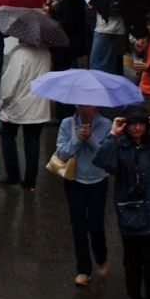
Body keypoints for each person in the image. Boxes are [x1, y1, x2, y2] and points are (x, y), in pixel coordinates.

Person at [93, 103, 150, 299]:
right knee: (132, 264)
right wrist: (112, 135)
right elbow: (102, 162)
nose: (137, 128)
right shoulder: (119, 145)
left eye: (141, 124)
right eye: (133, 124)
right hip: (130, 216)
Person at [54, 104, 111, 288]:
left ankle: (101, 258)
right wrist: (77, 139)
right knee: (78, 226)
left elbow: (107, 154)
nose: (84, 108)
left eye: (88, 104)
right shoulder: (66, 124)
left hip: (98, 181)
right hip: (74, 181)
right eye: (80, 104)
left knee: (96, 225)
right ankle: (83, 270)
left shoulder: (106, 124)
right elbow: (61, 153)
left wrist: (91, 139)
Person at [0, 40, 52, 191]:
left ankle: (13, 175)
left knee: (7, 135)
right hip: (39, 105)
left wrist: (2, 102)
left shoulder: (19, 54)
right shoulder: (46, 53)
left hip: (18, 105)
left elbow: (10, 84)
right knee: (32, 142)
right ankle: (30, 182)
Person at [91, 0, 131, 74]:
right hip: (105, 26)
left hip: (108, 27)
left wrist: (99, 6)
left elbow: (117, 5)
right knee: (101, 61)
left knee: (98, 62)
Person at [132, 11, 150, 112]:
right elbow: (148, 58)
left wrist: (148, 68)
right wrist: (140, 51)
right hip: (141, 88)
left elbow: (149, 66)